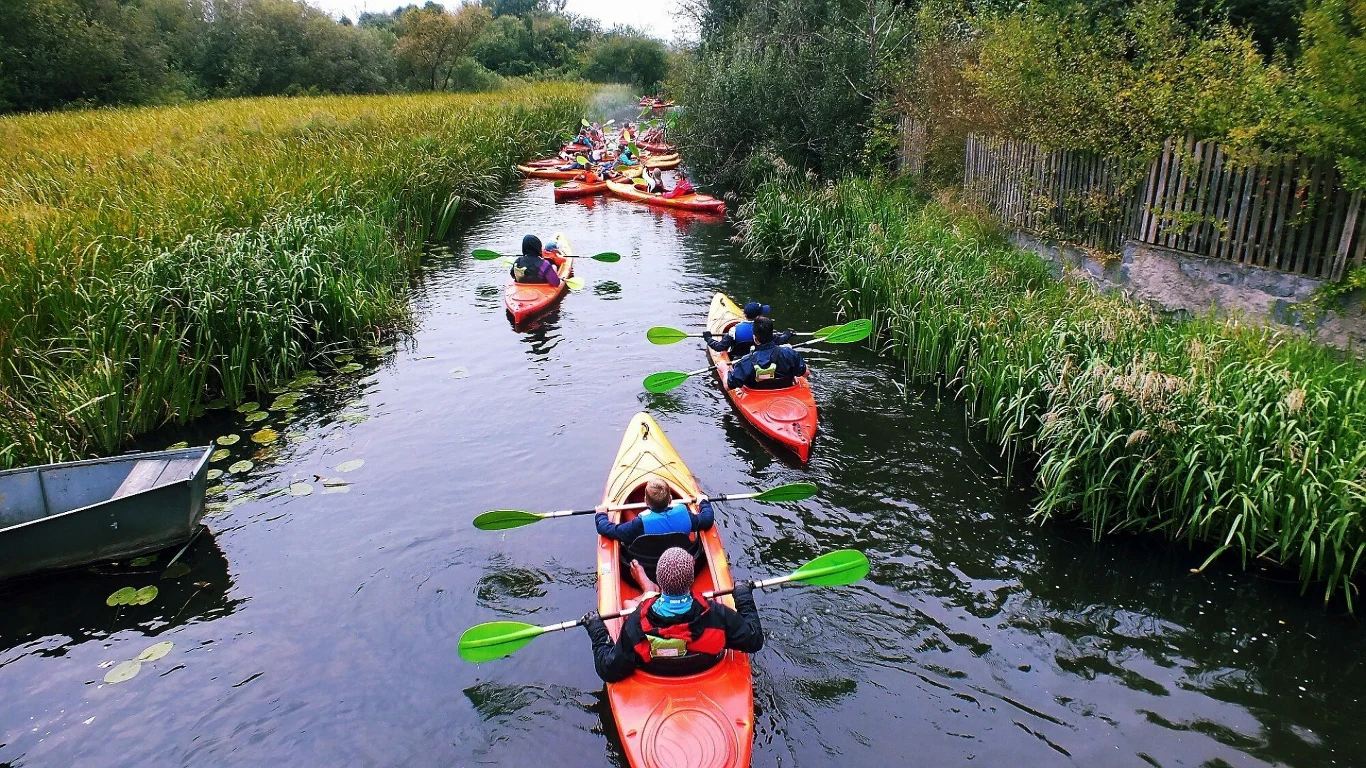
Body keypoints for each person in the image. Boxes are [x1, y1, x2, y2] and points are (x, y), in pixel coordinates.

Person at [583, 547, 764, 682]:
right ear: (692, 580)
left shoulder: (637, 623)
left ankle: (648, 590)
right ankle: (648, 590)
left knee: (629, 604)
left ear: (660, 580)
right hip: (704, 668)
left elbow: (609, 670)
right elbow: (754, 640)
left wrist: (596, 629)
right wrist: (743, 596)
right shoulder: (718, 615)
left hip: (658, 674)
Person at [595, 478, 713, 549]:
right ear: (670, 499)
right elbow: (707, 519)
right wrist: (703, 502)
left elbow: (608, 529)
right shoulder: (685, 515)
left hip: (649, 563)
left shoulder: (639, 524)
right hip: (679, 553)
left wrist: (601, 514)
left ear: (646, 501)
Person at [725, 317, 807, 390]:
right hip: (786, 390)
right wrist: (788, 351)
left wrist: (723, 368)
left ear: (755, 339)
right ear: (772, 335)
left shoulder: (746, 361)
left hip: (756, 395)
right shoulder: (789, 353)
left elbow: (728, 386)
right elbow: (806, 373)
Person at [704, 302, 793, 359]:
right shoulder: (764, 330)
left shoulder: (734, 330)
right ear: (758, 317)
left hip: (739, 361)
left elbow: (720, 347)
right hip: (761, 359)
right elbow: (780, 340)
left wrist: (708, 339)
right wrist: (787, 334)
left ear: (745, 315)